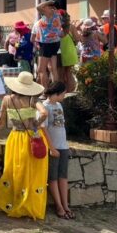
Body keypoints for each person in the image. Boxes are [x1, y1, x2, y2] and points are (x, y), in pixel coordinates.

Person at [0, 71, 55, 220]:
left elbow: (0, 122)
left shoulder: (6, 99)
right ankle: (28, 205)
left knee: (14, 170)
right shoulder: (33, 100)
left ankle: (12, 202)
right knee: (31, 172)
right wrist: (35, 125)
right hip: (31, 137)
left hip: (15, 138)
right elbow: (44, 113)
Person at [40, 81, 73, 219]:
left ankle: (65, 205)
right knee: (53, 178)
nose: (65, 95)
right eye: (64, 93)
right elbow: (43, 128)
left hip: (63, 146)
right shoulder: (44, 107)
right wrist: (51, 148)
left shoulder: (59, 105)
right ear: (58, 93)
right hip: (53, 147)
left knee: (63, 177)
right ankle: (59, 206)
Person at [33, 0, 63, 87]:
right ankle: (56, 90)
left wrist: (49, 2)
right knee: (53, 68)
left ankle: (45, 91)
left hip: (46, 44)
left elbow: (38, 7)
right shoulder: (57, 13)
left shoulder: (49, 11)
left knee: (41, 70)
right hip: (55, 42)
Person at [57, 10, 79, 92]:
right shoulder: (71, 27)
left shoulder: (56, 27)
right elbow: (77, 39)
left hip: (60, 52)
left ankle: (62, 92)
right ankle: (70, 91)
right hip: (70, 51)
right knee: (69, 73)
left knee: (60, 75)